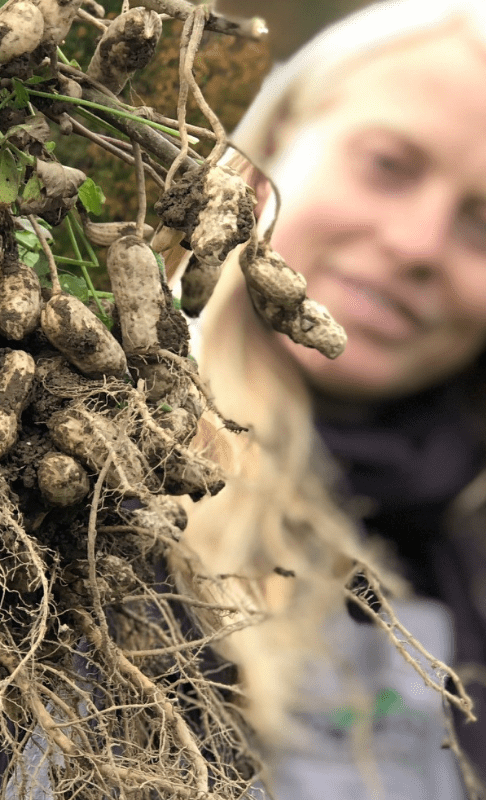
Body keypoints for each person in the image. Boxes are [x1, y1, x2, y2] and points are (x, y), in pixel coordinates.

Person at [181, 0, 486, 796]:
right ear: (273, 143)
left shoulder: (466, 544)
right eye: (389, 163)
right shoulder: (80, 453)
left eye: (484, 223)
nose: (417, 244)